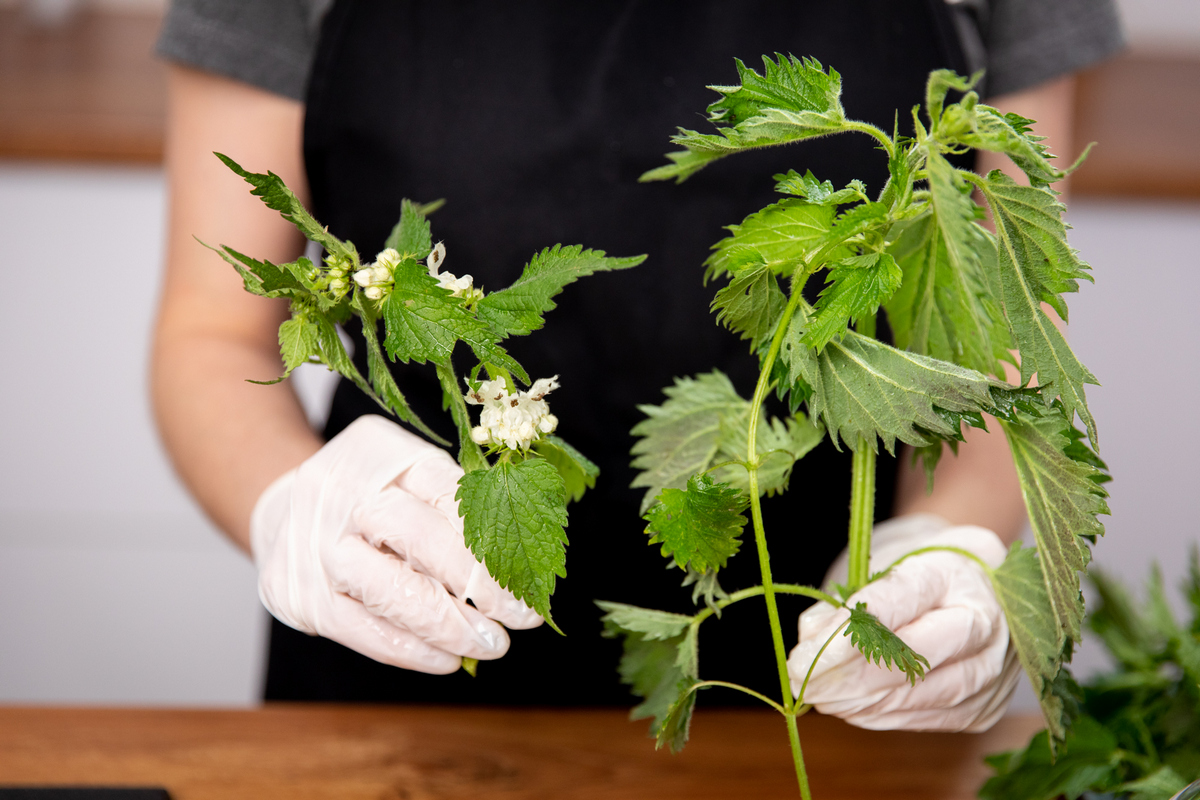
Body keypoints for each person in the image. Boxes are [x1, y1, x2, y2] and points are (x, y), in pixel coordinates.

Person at [151, 0, 1123, 726]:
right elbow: (212, 332)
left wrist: (949, 544)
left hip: (842, 669)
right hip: (398, 669)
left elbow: (1003, 330)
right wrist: (292, 502)